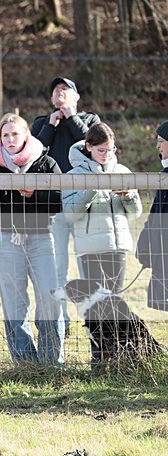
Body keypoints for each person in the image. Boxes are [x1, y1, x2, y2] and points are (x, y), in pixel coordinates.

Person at [0, 113, 64, 366]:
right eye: (5, 135)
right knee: (14, 303)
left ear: (26, 135)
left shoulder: (46, 163)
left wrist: (33, 194)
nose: (11, 139)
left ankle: (52, 362)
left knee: (50, 298)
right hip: (7, 240)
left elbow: (57, 203)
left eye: (15, 133)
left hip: (41, 239)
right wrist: (9, 192)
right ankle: (25, 363)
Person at [31, 76, 101, 337]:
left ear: (76, 96)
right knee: (57, 267)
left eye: (65, 89)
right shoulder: (41, 123)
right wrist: (50, 125)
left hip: (84, 206)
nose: (60, 92)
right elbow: (35, 155)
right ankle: (61, 324)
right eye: (56, 90)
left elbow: (93, 146)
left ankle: (92, 321)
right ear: (51, 99)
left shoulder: (91, 121)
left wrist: (72, 118)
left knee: (87, 267)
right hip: (54, 206)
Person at [63, 123, 141, 293]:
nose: (107, 155)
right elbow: (71, 214)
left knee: (115, 301)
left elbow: (136, 213)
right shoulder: (73, 175)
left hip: (117, 247)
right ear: (89, 146)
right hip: (90, 250)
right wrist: (92, 189)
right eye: (101, 150)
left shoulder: (123, 171)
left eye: (111, 150)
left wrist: (129, 196)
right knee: (95, 303)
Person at [137, 120, 168, 311]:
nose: (157, 145)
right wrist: (146, 243)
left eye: (161, 141)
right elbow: (156, 215)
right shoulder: (164, 175)